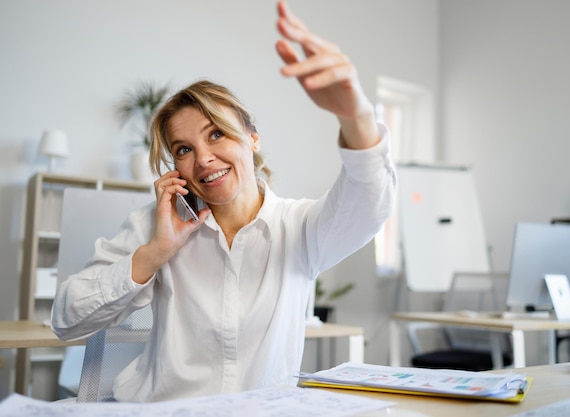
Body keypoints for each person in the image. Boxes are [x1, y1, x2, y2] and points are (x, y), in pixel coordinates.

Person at [51, 1, 396, 402]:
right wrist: (155, 252)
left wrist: (355, 115)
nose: (202, 159)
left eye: (216, 134)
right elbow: (66, 320)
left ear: (252, 137)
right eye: (183, 149)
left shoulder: (299, 227)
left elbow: (368, 205)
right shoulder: (158, 226)